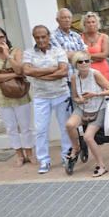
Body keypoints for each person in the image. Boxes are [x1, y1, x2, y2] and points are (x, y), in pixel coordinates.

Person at [23, 25, 70, 173]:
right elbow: (26, 71)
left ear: (49, 36)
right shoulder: (28, 53)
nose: (41, 40)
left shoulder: (58, 51)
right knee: (40, 129)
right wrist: (51, 70)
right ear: (34, 38)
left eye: (43, 36)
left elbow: (63, 72)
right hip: (41, 97)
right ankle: (44, 160)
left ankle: (66, 156)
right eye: (37, 37)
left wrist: (39, 75)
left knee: (65, 127)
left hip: (61, 93)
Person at [0, 27, 33, 166]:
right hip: (0, 96)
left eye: (1, 37)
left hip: (20, 93)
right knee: (10, 127)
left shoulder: (16, 51)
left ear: (6, 37)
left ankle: (29, 152)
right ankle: (19, 154)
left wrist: (7, 55)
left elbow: (20, 69)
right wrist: (15, 75)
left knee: (25, 126)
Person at [64, 51, 109, 177]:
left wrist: (95, 94)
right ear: (75, 64)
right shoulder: (74, 77)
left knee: (88, 137)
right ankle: (76, 148)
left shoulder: (95, 74)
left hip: (99, 108)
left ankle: (101, 166)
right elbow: (75, 97)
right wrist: (79, 100)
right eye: (80, 61)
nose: (84, 63)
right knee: (69, 125)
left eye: (87, 60)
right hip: (83, 108)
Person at [80, 12, 109, 82]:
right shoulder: (80, 37)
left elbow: (104, 55)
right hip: (86, 72)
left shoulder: (104, 37)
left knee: (105, 92)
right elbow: (79, 56)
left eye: (93, 22)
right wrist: (97, 57)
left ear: (97, 23)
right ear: (84, 24)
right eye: (88, 22)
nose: (91, 24)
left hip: (103, 71)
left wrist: (87, 56)